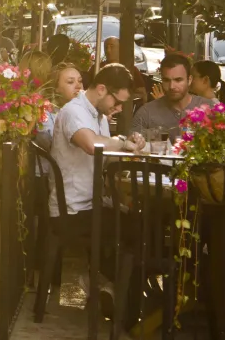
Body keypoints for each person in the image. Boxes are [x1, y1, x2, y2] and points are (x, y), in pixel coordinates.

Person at [47, 64, 146, 303]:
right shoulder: (74, 111)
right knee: (136, 231)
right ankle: (123, 300)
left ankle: (108, 285)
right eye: (118, 101)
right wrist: (122, 143)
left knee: (139, 224)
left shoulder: (97, 115)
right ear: (101, 89)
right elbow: (91, 145)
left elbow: (104, 150)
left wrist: (128, 142)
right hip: (71, 210)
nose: (120, 109)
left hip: (89, 204)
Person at [131, 53, 213, 140]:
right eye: (166, 80)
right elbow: (132, 145)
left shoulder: (209, 109)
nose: (171, 86)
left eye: (178, 80)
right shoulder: (146, 113)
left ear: (189, 80)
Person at [101, 36, 148, 103]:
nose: (108, 50)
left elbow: (142, 94)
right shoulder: (98, 67)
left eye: (112, 47)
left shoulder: (131, 69)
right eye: (106, 47)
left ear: (120, 49)